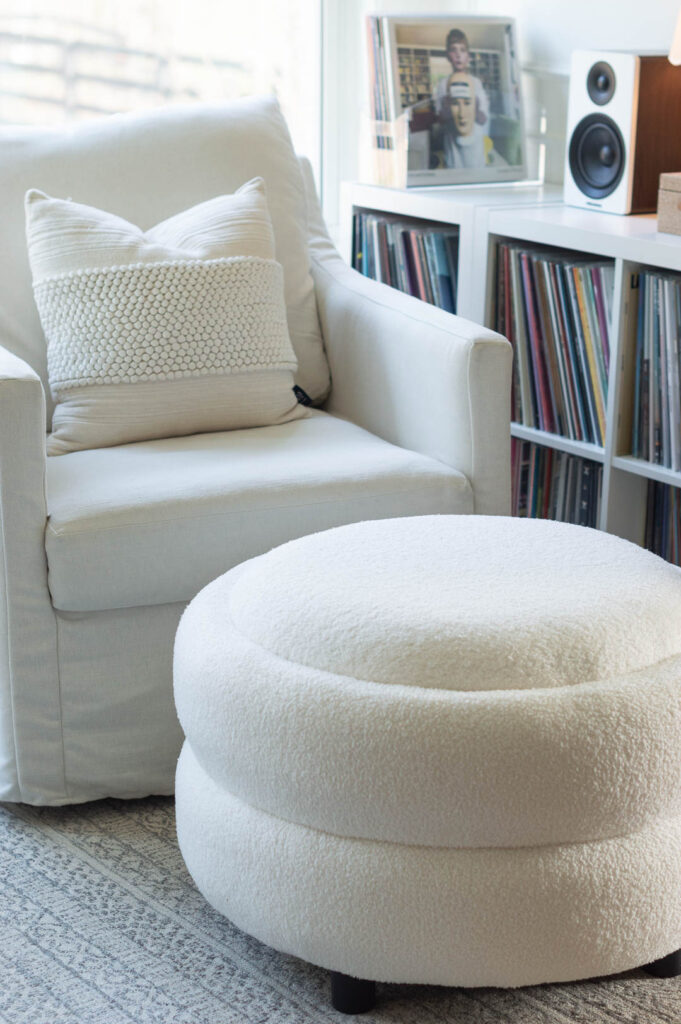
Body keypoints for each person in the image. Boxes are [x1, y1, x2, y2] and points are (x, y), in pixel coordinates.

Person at [434, 28, 489, 128]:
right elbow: (440, 121)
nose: (458, 55)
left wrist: (475, 108)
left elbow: (483, 120)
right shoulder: (443, 84)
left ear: (468, 56)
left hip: (473, 140)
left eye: (462, 50)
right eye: (453, 50)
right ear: (448, 55)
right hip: (450, 141)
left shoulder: (476, 83)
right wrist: (447, 108)